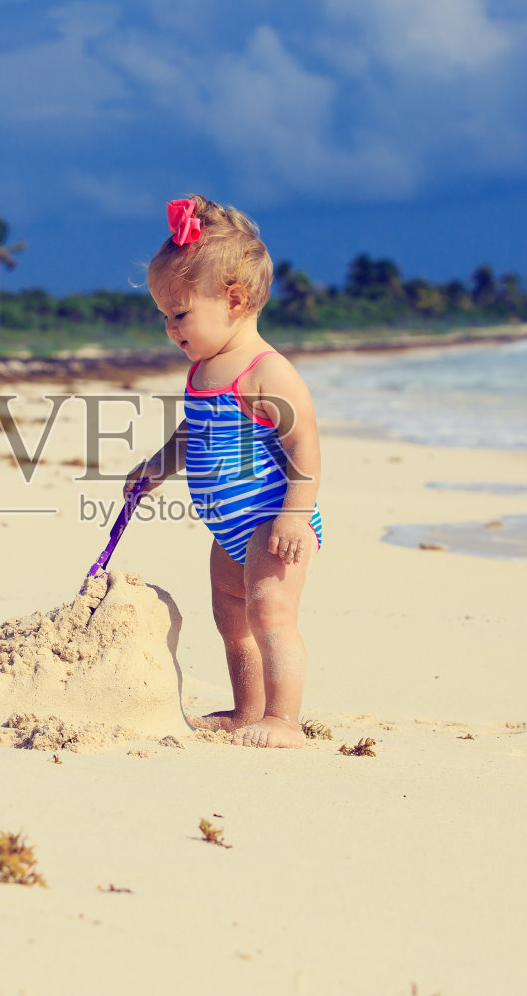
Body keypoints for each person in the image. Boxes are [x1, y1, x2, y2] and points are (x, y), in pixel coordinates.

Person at [124, 196, 324, 748]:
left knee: (270, 615)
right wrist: (155, 468)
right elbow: (193, 435)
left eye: (180, 313)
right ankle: (247, 710)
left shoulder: (268, 372)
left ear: (233, 300)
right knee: (231, 622)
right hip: (229, 529)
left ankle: (284, 720)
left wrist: (295, 516)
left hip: (272, 523)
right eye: (164, 315)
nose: (169, 326)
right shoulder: (203, 373)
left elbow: (304, 443)